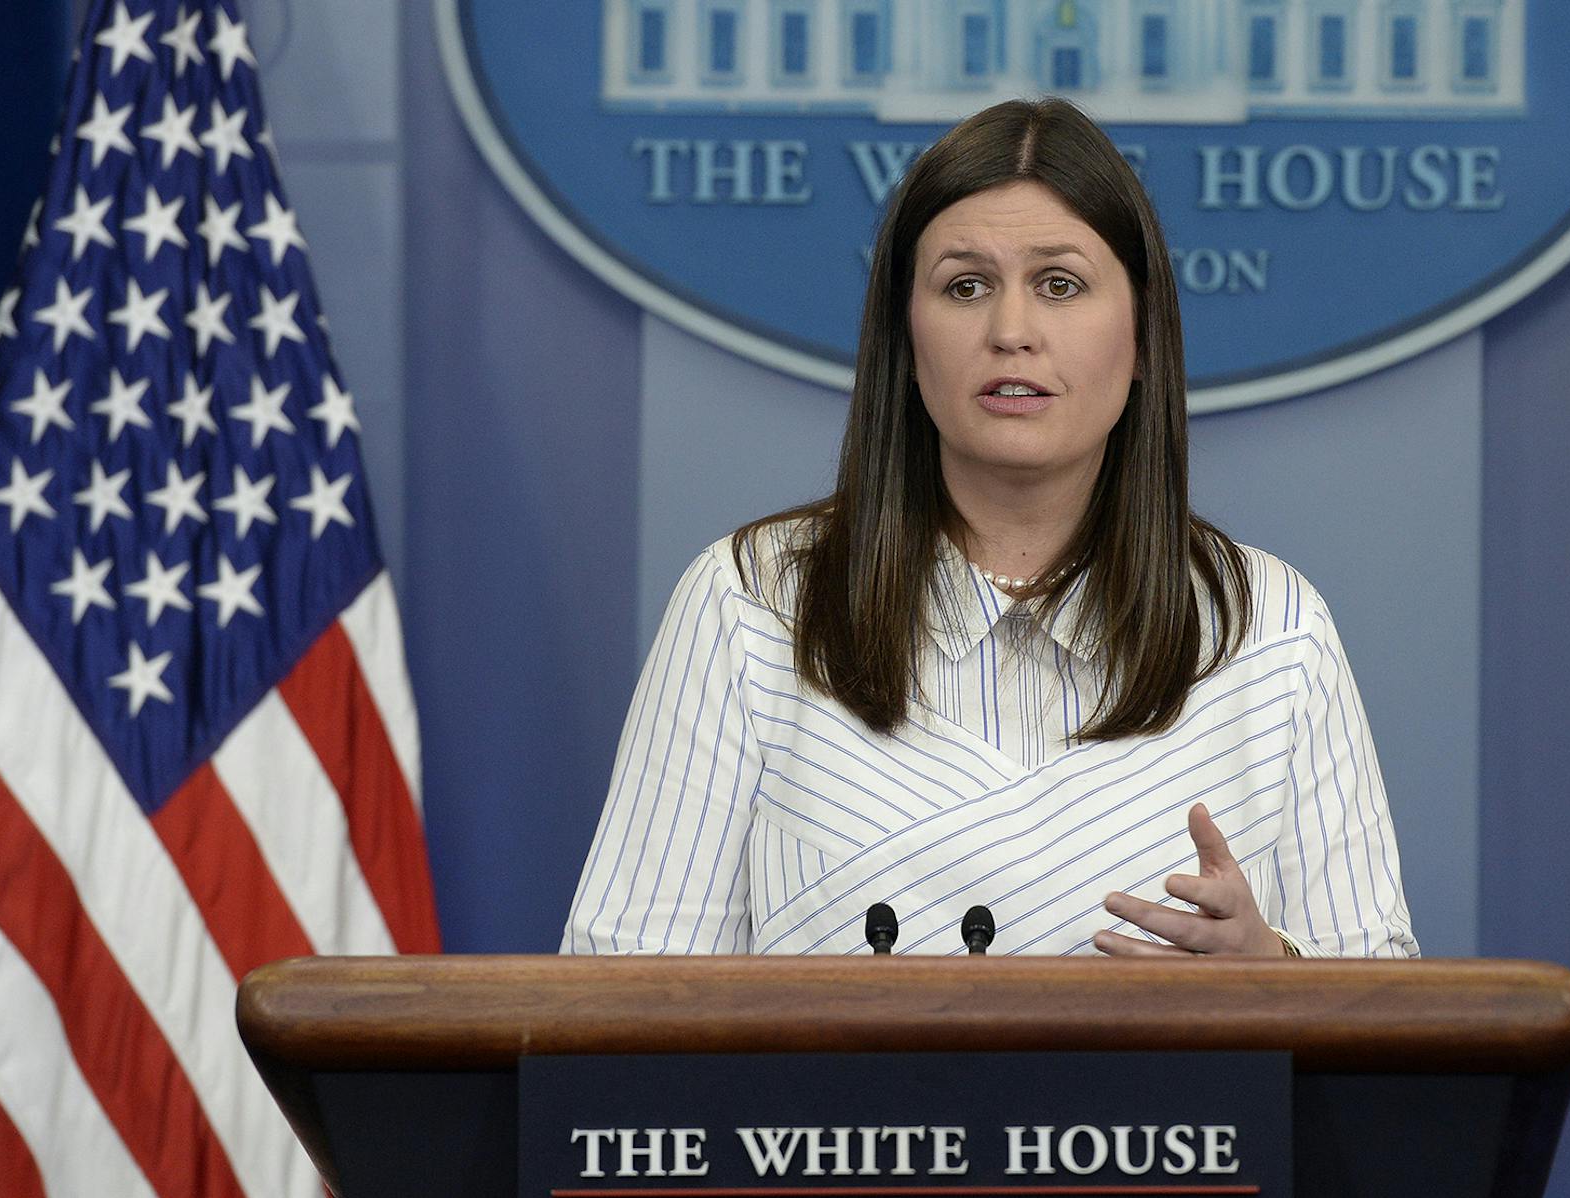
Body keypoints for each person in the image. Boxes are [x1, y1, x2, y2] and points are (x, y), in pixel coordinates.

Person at [562, 98, 1416, 959]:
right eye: (966, 286)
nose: (1012, 332)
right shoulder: (754, 604)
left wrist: (1275, 979)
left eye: (1060, 285)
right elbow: (616, 1006)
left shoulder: (1269, 628)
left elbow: (1391, 1033)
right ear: (906, 335)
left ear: (1145, 333)